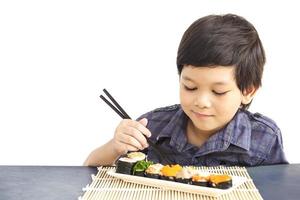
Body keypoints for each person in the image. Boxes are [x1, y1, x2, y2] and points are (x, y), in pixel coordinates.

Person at [84, 14, 288, 167]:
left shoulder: (264, 137)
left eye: (218, 92)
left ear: (248, 91)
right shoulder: (152, 127)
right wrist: (115, 146)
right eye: (190, 87)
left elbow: (279, 189)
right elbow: (89, 171)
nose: (201, 101)